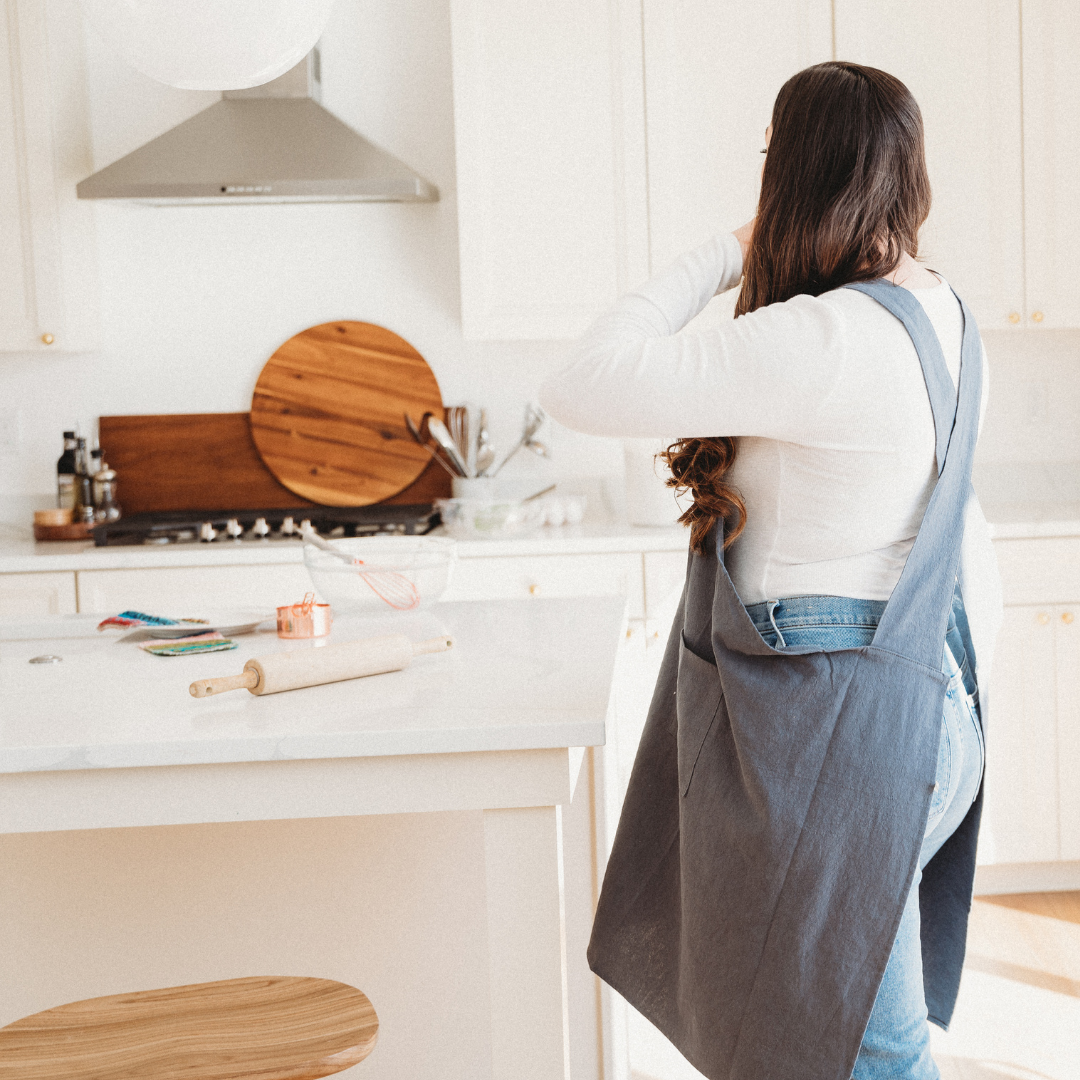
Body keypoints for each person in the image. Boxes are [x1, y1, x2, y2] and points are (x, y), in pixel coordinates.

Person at [538, 61, 1003, 1080]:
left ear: (789, 171)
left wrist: (726, 250)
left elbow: (582, 380)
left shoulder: (819, 339)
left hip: (833, 736)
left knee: (864, 1052)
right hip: (923, 713)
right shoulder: (938, 308)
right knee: (824, 1030)